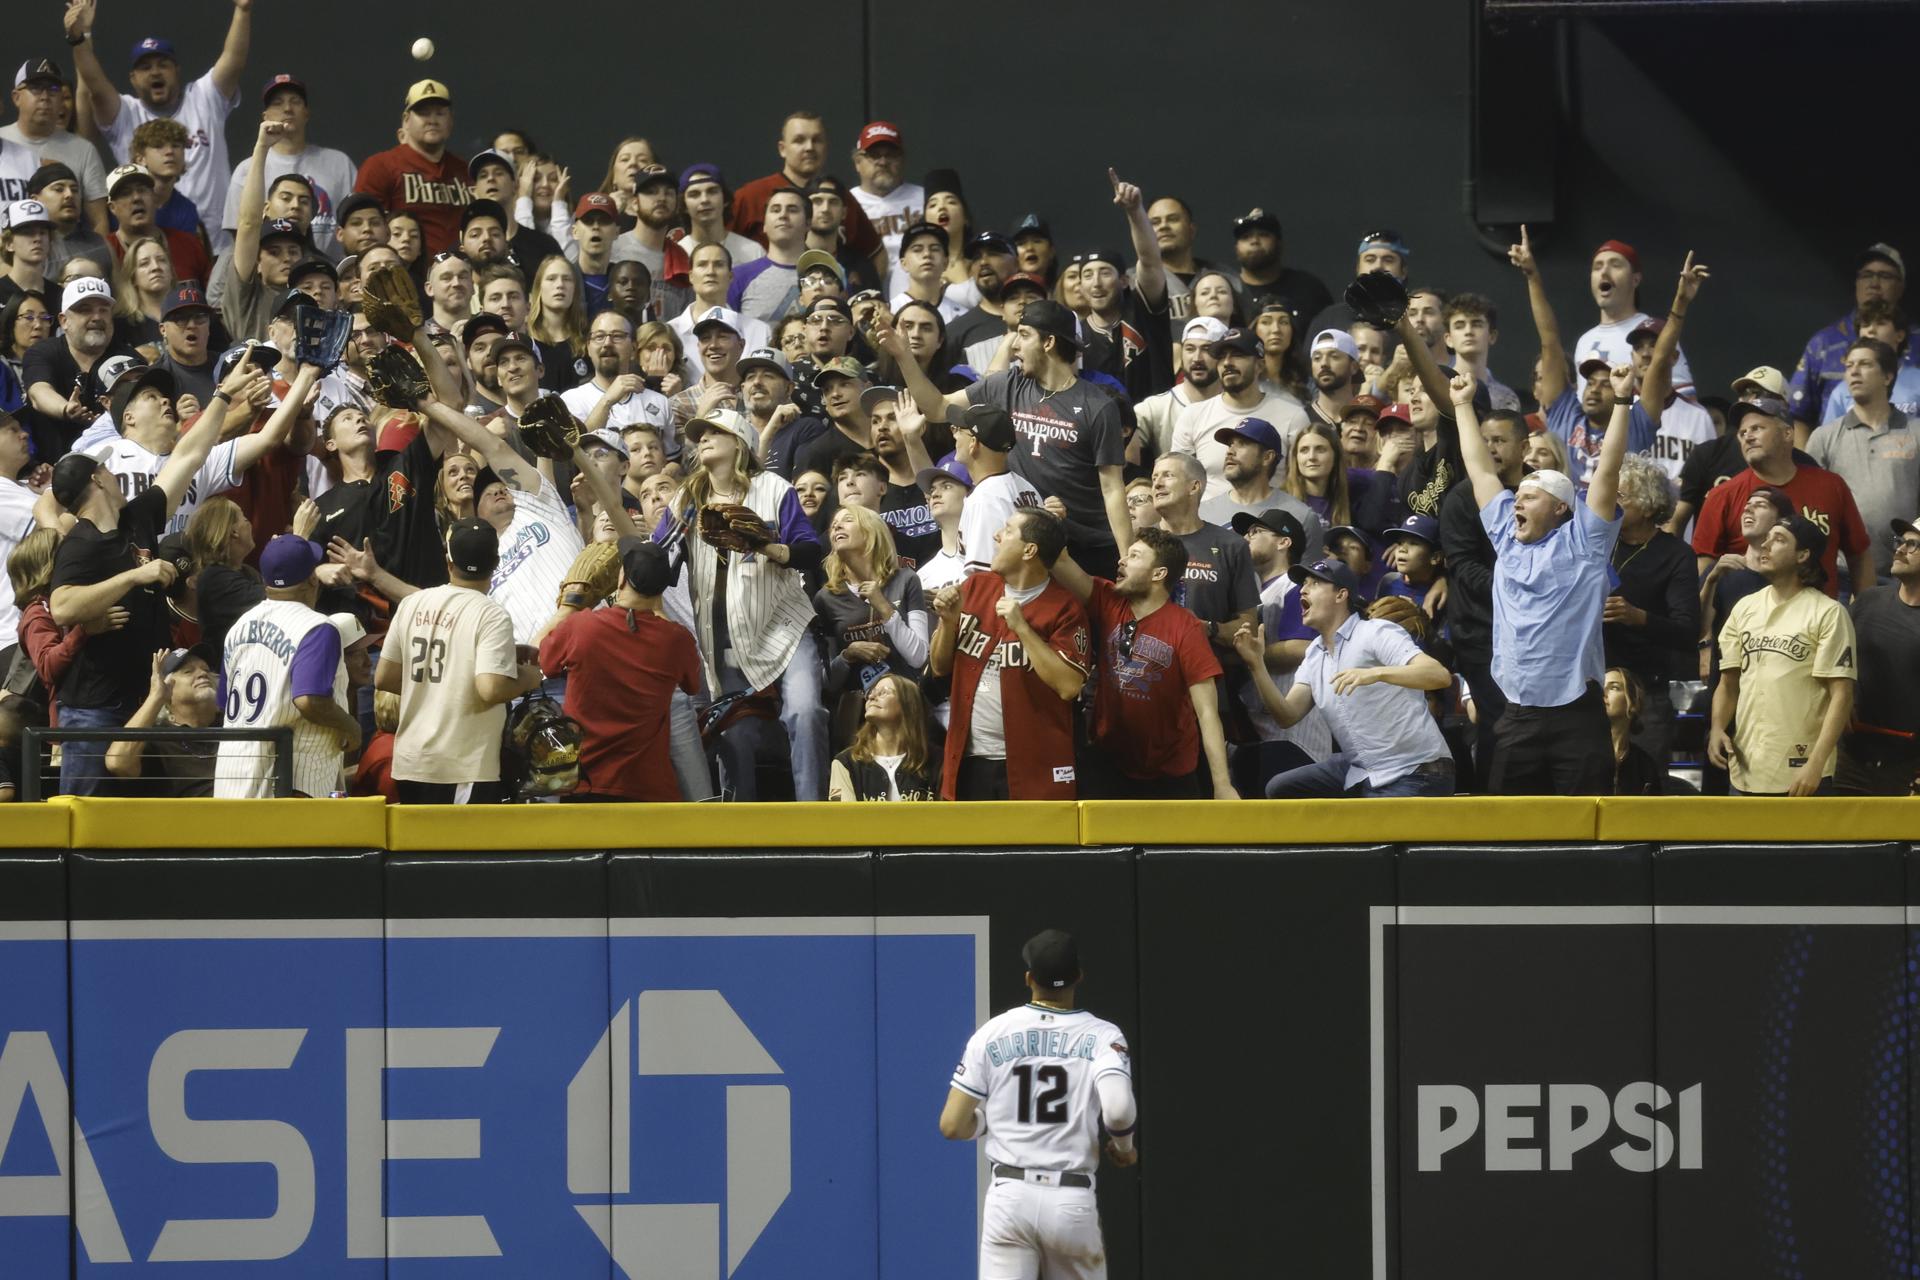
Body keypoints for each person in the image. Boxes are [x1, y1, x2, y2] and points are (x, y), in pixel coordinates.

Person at [47, 355, 264, 794]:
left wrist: (222, 396)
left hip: (140, 697)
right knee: (82, 816)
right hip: (94, 705)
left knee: (135, 816)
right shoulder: (82, 542)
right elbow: (62, 606)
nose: (113, 471)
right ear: (99, 479)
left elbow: (190, 453)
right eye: (107, 468)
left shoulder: (138, 520)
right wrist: (132, 577)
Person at [1454, 361, 1630, 796]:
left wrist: (1623, 401)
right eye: (1517, 495)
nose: (1516, 501)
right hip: (1515, 713)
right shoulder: (1506, 538)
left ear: (1560, 509)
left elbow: (1607, 471)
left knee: (1587, 829)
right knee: (1506, 832)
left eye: (1530, 497)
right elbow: (1479, 471)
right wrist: (1461, 404)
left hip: (1578, 714)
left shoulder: (1586, 543)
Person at [940, 928, 1136, 1278]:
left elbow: (953, 1125)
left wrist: (987, 1122)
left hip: (1010, 1196)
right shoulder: (1102, 1035)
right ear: (1079, 976)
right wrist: (1125, 1147)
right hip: (1070, 1198)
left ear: (1029, 978)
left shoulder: (993, 1032)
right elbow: (1118, 1110)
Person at [887, 301, 1131, 578]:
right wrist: (904, 357)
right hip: (1031, 543)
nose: (1014, 346)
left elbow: (1113, 489)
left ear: (1049, 342)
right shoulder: (1007, 384)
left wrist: (1127, 558)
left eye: (1024, 335)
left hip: (1089, 547)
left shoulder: (1098, 405)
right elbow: (937, 408)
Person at [659, 408, 827, 801]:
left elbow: (809, 550)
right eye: (699, 434)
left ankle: (815, 817)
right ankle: (739, 831)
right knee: (734, 733)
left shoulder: (773, 487)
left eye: (714, 432)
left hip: (785, 625)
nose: (703, 438)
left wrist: (764, 545)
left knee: (805, 712)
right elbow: (659, 560)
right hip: (725, 640)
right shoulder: (689, 497)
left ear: (740, 443)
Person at [1234, 556, 1455, 797]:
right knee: (1281, 788)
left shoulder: (1375, 632)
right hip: (1362, 769)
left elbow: (1438, 675)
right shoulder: (1314, 654)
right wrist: (1256, 664)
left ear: (1341, 595)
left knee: (1374, 834)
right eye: (1303, 584)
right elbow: (1287, 715)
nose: (1303, 589)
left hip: (1414, 771)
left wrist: (1375, 673)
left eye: (1314, 583)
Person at [1049, 526, 1237, 799]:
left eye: (1134, 556)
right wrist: (1053, 523)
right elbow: (1061, 561)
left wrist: (1222, 785)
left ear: (1159, 574)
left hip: (1170, 773)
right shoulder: (1109, 600)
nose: (1121, 561)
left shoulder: (1185, 627)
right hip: (1108, 764)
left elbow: (1207, 712)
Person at [377, 517, 543, 804]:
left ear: (449, 562)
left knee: (420, 849)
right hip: (461, 766)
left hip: (411, 762)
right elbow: (491, 689)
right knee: (460, 850)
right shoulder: (491, 614)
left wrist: (461, 668)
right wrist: (531, 675)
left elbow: (385, 678)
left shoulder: (412, 603)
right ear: (495, 563)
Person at [929, 505, 1090, 799]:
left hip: (1033, 768)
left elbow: (1069, 687)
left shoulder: (1065, 608)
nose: (996, 536)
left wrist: (1023, 628)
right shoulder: (976, 587)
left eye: (1007, 531)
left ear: (1029, 550)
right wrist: (948, 622)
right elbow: (940, 668)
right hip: (968, 761)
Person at [534, 537, 702, 802]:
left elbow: (543, 661)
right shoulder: (677, 640)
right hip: (647, 790)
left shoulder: (581, 626)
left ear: (621, 578)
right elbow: (693, 685)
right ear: (661, 589)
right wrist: (658, 609)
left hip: (583, 785)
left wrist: (569, 606)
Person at [69, 3, 251, 243]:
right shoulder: (126, 113)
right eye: (145, 67)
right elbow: (94, 85)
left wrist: (243, 11)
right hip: (147, 246)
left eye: (162, 65)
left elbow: (233, 61)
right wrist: (81, 39)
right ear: (133, 79)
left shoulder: (204, 97)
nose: (155, 72)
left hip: (218, 243)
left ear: (176, 70)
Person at [1710, 514, 1856, 797]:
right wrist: (1717, 728)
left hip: (1803, 774)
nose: (1765, 546)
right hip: (1745, 770)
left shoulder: (1828, 613)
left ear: (1803, 555)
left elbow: (1842, 695)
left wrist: (1816, 764)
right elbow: (1728, 684)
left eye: (1778, 540)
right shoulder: (1744, 608)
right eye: (1767, 539)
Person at [214, 535, 359, 798]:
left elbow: (224, 704)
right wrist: (350, 726)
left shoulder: (239, 627)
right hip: (288, 782)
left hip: (231, 774)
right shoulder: (317, 627)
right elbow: (309, 700)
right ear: (313, 578)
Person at [1691, 388, 1872, 599]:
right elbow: (1704, 567)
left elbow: (1859, 555)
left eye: (1757, 428)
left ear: (1787, 433)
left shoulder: (1831, 485)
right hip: (1745, 624)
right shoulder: (1722, 495)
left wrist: (1864, 615)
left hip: (1818, 621)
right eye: (1742, 433)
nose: (1747, 437)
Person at [1438, 408, 1529, 787]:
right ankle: (1493, 806)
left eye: (1500, 440)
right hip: (1481, 634)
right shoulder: (1461, 497)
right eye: (1485, 440)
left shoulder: (1540, 493)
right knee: (1498, 723)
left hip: (1533, 635)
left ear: (1524, 447)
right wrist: (1523, 588)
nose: (1490, 447)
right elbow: (1462, 565)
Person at [1600, 454, 1697, 766]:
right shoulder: (1598, 542)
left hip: (1645, 692)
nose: (1610, 500)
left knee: (1645, 785)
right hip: (1593, 685)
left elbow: (1686, 630)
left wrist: (1637, 617)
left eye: (1620, 495)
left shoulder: (1676, 554)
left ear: (1648, 504)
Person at [814, 503, 929, 748]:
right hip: (857, 716)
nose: (836, 526)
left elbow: (919, 657)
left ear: (870, 532)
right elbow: (826, 680)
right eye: (834, 524)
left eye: (847, 520)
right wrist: (848, 655)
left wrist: (883, 606)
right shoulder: (826, 598)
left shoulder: (906, 580)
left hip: (907, 706)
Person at [1804, 338, 1920, 577]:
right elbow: (1809, 507)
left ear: (1887, 377)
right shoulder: (1823, 437)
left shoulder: (1916, 431)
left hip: (1908, 571)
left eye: (1865, 364)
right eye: (1849, 366)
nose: (1854, 371)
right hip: (1842, 571)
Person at [222, 74, 357, 257]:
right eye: (277, 103)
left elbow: (356, 222)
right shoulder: (248, 170)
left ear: (306, 113)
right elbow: (239, 236)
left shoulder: (339, 163)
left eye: (295, 102)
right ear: (265, 116)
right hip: (268, 276)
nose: (287, 109)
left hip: (328, 276)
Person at [731, 111, 883, 273]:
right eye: (799, 140)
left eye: (817, 140)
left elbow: (876, 253)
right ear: (782, 149)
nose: (809, 147)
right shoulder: (750, 196)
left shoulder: (839, 196)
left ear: (826, 147)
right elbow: (721, 245)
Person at [1169, 327, 1308, 499]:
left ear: (1259, 365)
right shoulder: (1193, 415)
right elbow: (1178, 481)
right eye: (1221, 357)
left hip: (1271, 520)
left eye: (1237, 355)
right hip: (1209, 521)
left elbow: (1304, 482)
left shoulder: (1293, 416)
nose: (1227, 363)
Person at [1836, 517, 1920, 795]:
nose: (1899, 550)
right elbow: (1836, 661)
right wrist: (1840, 697)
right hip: (1850, 756)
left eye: (1913, 545)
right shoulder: (1868, 601)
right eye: (1900, 542)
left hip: (1907, 766)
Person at [1788, 242, 1908, 430]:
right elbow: (1799, 415)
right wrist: (1807, 459)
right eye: (1867, 275)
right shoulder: (1823, 343)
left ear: (1900, 287)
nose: (1874, 283)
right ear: (1856, 283)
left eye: (1885, 276)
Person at [352, 81, 469, 256]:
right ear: (406, 120)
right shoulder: (380, 166)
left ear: (451, 121)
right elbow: (365, 231)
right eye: (424, 113)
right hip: (404, 274)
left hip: (458, 275)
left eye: (440, 113)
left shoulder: (466, 170)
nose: (432, 120)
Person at [1572, 239, 1694, 394]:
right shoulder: (1584, 341)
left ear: (1635, 279)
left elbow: (1684, 399)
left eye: (1615, 265)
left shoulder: (1655, 331)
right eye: (1597, 267)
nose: (1604, 272)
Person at [4, 57, 108, 233]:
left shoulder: (83, 150)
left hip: (66, 255)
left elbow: (99, 222)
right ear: (16, 97)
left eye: (53, 89)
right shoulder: (2, 141)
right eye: (36, 88)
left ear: (62, 99)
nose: (45, 97)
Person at [104, 644, 219, 795]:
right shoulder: (158, 739)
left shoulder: (234, 724)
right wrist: (156, 696)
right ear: (167, 689)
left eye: (206, 669)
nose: (202, 674)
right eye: (188, 671)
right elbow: (117, 763)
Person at [827, 673, 934, 801]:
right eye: (871, 692)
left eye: (883, 692)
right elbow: (842, 818)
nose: (871, 697)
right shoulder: (845, 763)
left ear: (908, 704)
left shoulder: (936, 761)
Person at [1229, 206, 1330, 322]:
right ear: (1236, 248)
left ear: (1279, 243)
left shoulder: (1309, 289)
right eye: (1246, 237)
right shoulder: (1226, 293)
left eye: (1263, 234)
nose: (1254, 241)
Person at [1603, 667, 1665, 796]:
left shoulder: (1645, 765)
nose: (1603, 693)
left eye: (1614, 687)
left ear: (1633, 702)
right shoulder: (1580, 757)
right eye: (1600, 687)